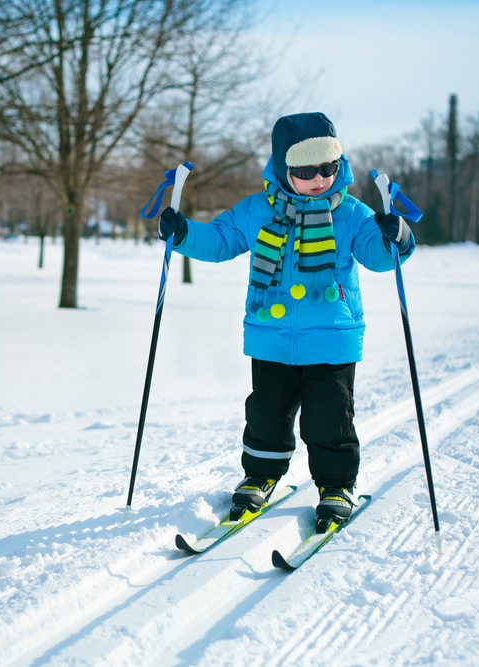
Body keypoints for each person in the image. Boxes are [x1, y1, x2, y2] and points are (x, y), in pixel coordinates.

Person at [158, 112, 414, 531]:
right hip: (271, 337)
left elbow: (380, 256)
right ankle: (261, 475)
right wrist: (183, 232)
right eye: (306, 170)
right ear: (282, 168)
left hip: (330, 340)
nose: (319, 179)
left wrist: (395, 235)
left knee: (328, 419)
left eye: (328, 168)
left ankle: (336, 485)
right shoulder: (258, 210)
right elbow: (222, 241)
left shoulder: (350, 213)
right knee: (266, 415)